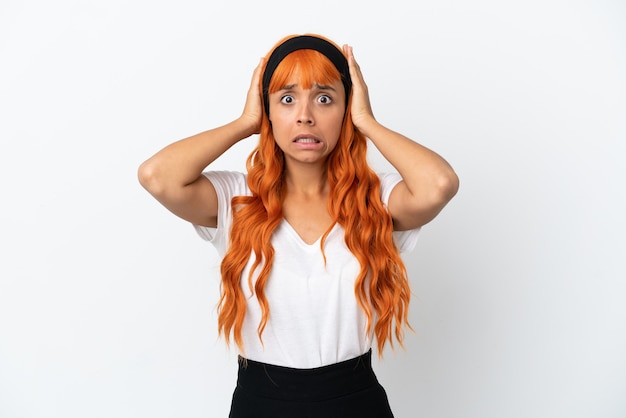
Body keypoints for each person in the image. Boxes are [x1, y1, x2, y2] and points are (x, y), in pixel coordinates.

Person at [138, 33, 459, 418]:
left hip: (356, 403)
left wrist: (367, 122)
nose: (305, 115)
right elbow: (156, 175)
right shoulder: (237, 199)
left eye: (324, 98)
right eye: (287, 99)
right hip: (261, 405)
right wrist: (244, 123)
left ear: (346, 109)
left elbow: (439, 184)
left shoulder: (374, 198)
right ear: (268, 111)